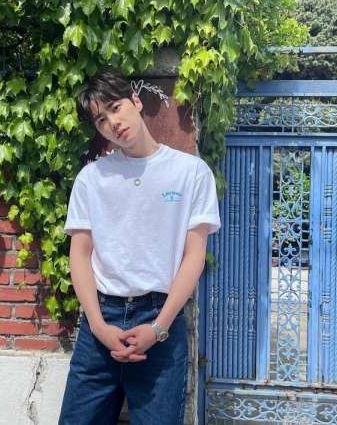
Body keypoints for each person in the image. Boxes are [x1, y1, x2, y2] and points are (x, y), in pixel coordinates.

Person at [58, 69, 221, 424]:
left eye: (115, 108)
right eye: (101, 120)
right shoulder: (91, 179)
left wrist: (158, 328)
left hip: (160, 321)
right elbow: (80, 255)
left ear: (135, 101)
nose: (113, 123)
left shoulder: (191, 173)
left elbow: (194, 256)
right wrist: (99, 326)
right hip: (101, 323)